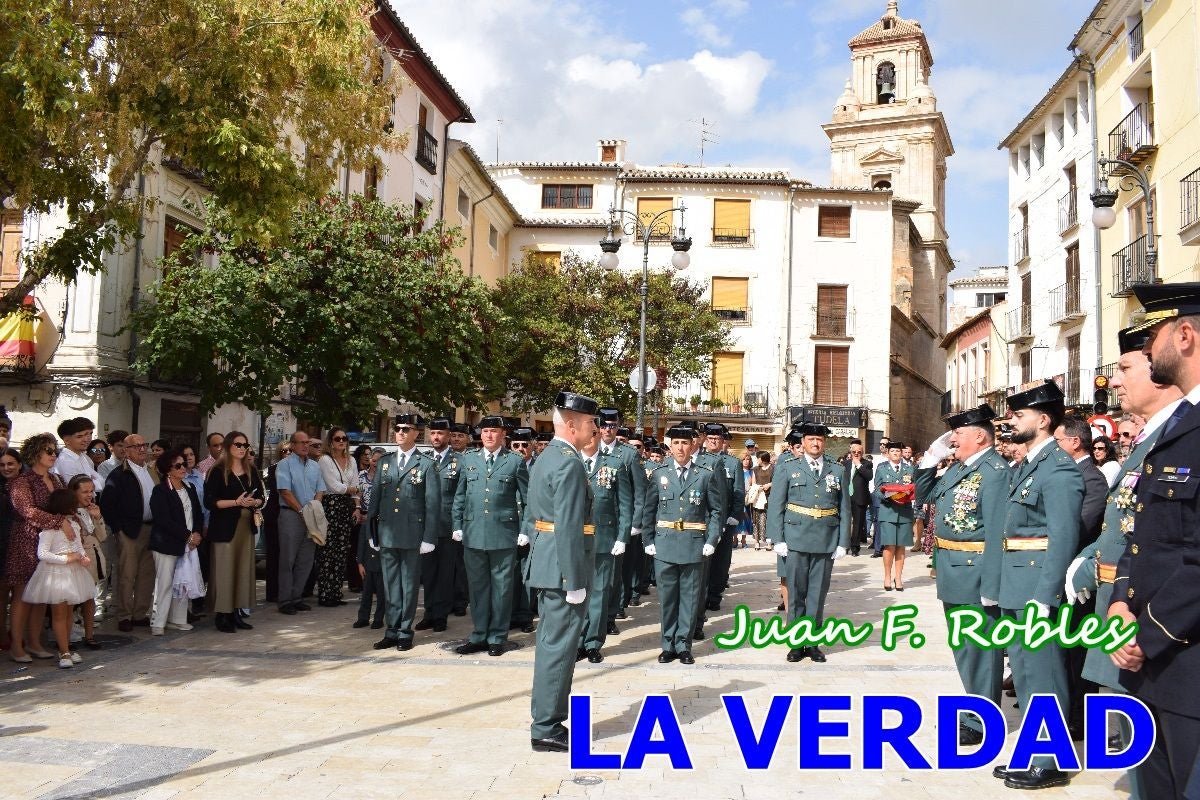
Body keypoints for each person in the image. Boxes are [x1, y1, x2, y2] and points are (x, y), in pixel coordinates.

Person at [1066, 325, 1182, 800]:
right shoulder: (1151, 440)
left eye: (1125, 368)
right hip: (1120, 601)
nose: (1114, 380)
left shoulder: (1175, 439)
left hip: (1149, 614)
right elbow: (1123, 523)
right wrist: (1088, 558)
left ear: (1159, 372)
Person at [1107, 283, 1200, 799]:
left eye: (1152, 339)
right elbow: (1143, 533)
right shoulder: (1180, 424)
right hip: (1151, 661)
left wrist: (1147, 634)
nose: (1146, 351)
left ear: (1184, 336)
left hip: (1184, 660)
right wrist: (1122, 602)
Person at [991, 379, 1083, 791]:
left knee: (1044, 674)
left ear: (1043, 420)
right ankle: (1033, 751)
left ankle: (1051, 760)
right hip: (1017, 583)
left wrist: (1047, 595)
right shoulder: (1028, 465)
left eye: (1020, 415)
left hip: (1037, 588)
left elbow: (1062, 538)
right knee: (1026, 675)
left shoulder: (1059, 468)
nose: (1012, 421)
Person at [915, 405, 1009, 746]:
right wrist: (930, 458)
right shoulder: (961, 468)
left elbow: (997, 531)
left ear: (980, 435)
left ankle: (982, 720)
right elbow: (925, 494)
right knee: (965, 648)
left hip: (975, 571)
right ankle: (974, 709)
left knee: (981, 649)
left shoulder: (995, 471)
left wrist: (992, 583)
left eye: (958, 433)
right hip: (952, 569)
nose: (952, 439)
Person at [526, 392, 597, 752]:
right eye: (590, 422)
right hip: (561, 568)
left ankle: (547, 721)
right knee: (558, 649)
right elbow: (568, 525)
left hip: (548, 562)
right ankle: (547, 727)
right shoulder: (569, 463)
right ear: (571, 425)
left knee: (551, 645)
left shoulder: (549, 456)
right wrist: (574, 580)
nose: (594, 429)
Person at [766, 422, 850, 663]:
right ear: (802, 443)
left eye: (819, 439)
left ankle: (812, 642)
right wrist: (777, 538)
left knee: (817, 594)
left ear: (825, 443)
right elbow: (776, 505)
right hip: (795, 539)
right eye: (811, 439)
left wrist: (843, 541)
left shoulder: (837, 470)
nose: (815, 443)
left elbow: (844, 508)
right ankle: (795, 643)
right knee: (796, 594)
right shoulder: (788, 468)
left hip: (825, 539)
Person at [645, 424, 724, 665]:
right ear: (670, 446)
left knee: (689, 599)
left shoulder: (705, 474)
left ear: (693, 446)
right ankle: (667, 644)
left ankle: (683, 645)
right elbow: (649, 509)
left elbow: (716, 511)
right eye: (676, 443)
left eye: (685, 443)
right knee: (667, 598)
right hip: (665, 544)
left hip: (693, 544)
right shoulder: (659, 474)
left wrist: (712, 539)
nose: (680, 448)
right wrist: (648, 539)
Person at [452, 416, 529, 656]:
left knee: (502, 589)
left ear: (503, 435)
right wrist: (457, 524)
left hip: (504, 535)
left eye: (494, 431)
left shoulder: (514, 461)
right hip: (473, 533)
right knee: (477, 589)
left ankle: (497, 637)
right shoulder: (468, 459)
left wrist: (525, 530)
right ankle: (478, 635)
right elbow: (460, 495)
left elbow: (527, 500)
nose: (489, 435)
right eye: (485, 431)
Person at [368, 415, 440, 652]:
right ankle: (391, 630)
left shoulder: (426, 464)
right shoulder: (385, 462)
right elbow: (375, 500)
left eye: (405, 429)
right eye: (397, 428)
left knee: (409, 584)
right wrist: (372, 532)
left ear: (416, 433)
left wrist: (429, 537)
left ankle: (405, 631)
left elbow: (432, 504)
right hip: (387, 532)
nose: (400, 432)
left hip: (412, 534)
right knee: (390, 584)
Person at [7, 434, 68, 661]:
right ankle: (17, 646)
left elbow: (66, 505)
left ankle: (34, 642)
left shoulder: (57, 479)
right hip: (27, 540)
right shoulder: (22, 482)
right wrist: (58, 522)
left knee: (42, 593)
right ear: (35, 453)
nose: (53, 455)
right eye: (48, 451)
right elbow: (28, 511)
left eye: (55, 451)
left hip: (52, 542)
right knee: (23, 593)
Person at [573, 424, 629, 663]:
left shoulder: (614, 464)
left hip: (604, 538)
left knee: (599, 593)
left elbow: (625, 503)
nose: (590, 438)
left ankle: (593, 643)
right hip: (574, 539)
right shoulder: (571, 462)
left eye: (594, 434)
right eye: (588, 433)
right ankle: (576, 641)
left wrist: (622, 536)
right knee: (575, 592)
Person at [22, 488, 94, 668]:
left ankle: (65, 648)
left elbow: (78, 545)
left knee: (69, 613)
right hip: (55, 574)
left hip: (73, 573)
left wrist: (83, 556)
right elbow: (42, 554)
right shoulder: (49, 530)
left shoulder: (74, 525)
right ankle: (64, 652)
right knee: (59, 614)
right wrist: (65, 559)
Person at [203, 431, 263, 632]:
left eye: (245, 445)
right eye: (238, 444)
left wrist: (255, 501)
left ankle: (237, 612)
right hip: (224, 528)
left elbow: (261, 496)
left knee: (242, 570)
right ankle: (223, 615)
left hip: (246, 528)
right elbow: (210, 502)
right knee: (224, 571)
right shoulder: (217, 471)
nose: (242, 448)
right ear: (229, 446)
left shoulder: (251, 469)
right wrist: (236, 502)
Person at [99, 434, 157, 632]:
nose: (142, 449)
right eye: (136, 446)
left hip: (151, 528)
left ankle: (139, 614)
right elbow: (107, 505)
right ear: (126, 450)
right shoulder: (118, 474)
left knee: (146, 575)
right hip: (129, 531)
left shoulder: (152, 472)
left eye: (144, 445)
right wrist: (118, 529)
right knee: (127, 574)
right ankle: (124, 615)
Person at [148, 450, 202, 636]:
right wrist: (187, 535)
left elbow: (197, 514)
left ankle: (178, 619)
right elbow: (163, 519)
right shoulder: (160, 490)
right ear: (167, 470)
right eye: (178, 466)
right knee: (164, 583)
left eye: (184, 464)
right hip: (166, 544)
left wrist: (197, 534)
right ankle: (158, 622)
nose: (183, 468)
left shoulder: (189, 487)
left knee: (183, 581)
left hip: (188, 543)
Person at [419, 418, 462, 633]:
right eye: (433, 433)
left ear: (448, 436)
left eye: (440, 433)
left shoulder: (459, 461)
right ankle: (428, 612)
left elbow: (461, 496)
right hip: (426, 527)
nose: (436, 437)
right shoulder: (422, 459)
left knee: (445, 574)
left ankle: (440, 616)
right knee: (427, 574)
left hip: (447, 526)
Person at [274, 431, 325, 616]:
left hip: (310, 516)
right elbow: (285, 491)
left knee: (306, 559)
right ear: (292, 445)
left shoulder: (315, 466)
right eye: (301, 442)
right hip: (291, 515)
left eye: (307, 442)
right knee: (287, 559)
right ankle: (285, 600)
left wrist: (314, 509)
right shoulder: (284, 464)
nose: (305, 445)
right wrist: (302, 511)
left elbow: (320, 490)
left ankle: (297, 597)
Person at [696, 423, 741, 622]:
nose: (714, 441)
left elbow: (738, 491)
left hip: (725, 518)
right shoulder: (698, 459)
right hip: (702, 518)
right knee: (703, 560)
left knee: (721, 561)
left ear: (723, 441)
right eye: (710, 438)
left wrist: (735, 515)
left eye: (717, 438)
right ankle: (702, 596)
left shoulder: (732, 463)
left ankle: (714, 595)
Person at [316, 427, 358, 608]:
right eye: (337, 439)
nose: (341, 441)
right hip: (331, 506)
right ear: (330, 441)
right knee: (328, 551)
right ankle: (325, 594)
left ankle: (336, 592)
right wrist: (351, 489)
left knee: (342, 551)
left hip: (346, 506)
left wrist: (357, 506)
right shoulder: (324, 460)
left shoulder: (352, 460)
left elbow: (356, 483)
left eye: (344, 438)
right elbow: (333, 486)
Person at [68, 475, 106, 648]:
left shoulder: (92, 509)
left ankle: (89, 635)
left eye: (91, 491)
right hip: (77, 561)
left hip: (93, 560)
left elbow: (102, 536)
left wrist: (97, 518)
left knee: (89, 598)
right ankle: (68, 634)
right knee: (72, 600)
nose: (89, 495)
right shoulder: (67, 513)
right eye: (85, 491)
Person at [873, 441, 914, 591]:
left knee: (901, 546)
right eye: (893, 451)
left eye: (898, 451)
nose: (896, 453)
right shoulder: (882, 468)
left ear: (902, 453)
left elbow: (914, 487)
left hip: (904, 511)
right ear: (888, 453)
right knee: (889, 545)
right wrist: (888, 496)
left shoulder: (910, 468)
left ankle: (899, 577)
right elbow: (876, 489)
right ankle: (887, 576)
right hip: (888, 511)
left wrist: (908, 494)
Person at [354, 447, 387, 629]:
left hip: (382, 562)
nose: (376, 463)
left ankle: (379, 619)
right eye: (374, 460)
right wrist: (360, 562)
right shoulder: (367, 522)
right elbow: (362, 542)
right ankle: (363, 617)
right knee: (366, 592)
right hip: (368, 561)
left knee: (382, 592)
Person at [0, 447, 23, 651]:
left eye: (10, 464)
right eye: (2, 465)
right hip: (2, 544)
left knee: (20, 594)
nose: (6, 468)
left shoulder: (26, 486)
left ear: (19, 465)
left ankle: (17, 635)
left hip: (21, 544)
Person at [52, 417, 104, 490]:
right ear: (67, 440)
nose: (87, 439)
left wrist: (92, 482)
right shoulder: (66, 461)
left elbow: (102, 482)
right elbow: (80, 490)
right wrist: (92, 480)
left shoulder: (82, 456)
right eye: (80, 436)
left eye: (90, 434)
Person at [843, 438, 872, 557]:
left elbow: (869, 476)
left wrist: (858, 465)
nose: (856, 454)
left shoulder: (867, 464)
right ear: (850, 452)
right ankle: (844, 545)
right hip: (846, 497)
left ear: (862, 453)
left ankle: (855, 548)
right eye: (854, 452)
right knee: (845, 522)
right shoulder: (845, 463)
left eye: (859, 452)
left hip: (860, 498)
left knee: (858, 524)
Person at [750, 451, 773, 550]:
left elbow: (778, 480)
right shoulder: (755, 469)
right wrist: (757, 487)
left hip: (770, 497)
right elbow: (753, 483)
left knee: (769, 520)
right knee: (756, 519)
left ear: (762, 458)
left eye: (757, 458)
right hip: (758, 497)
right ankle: (756, 542)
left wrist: (769, 484)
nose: (756, 460)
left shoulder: (773, 468)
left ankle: (769, 542)